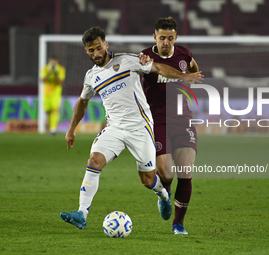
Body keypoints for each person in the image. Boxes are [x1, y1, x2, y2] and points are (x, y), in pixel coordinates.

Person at [60, 26, 203, 230]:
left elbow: (159, 68)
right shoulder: (91, 76)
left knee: (147, 179)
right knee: (94, 160)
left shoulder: (129, 60)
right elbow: (82, 102)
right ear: (86, 51)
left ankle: (163, 195)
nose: (97, 54)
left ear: (106, 45)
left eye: (99, 48)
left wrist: (184, 76)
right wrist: (71, 129)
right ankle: (82, 213)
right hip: (115, 128)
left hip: (140, 127)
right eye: (91, 50)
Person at [141, 17, 201, 235]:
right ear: (155, 37)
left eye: (170, 38)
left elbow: (193, 67)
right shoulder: (145, 57)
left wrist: (191, 77)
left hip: (182, 118)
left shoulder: (184, 55)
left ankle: (178, 224)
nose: (166, 42)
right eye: (162, 37)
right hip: (156, 119)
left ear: (176, 37)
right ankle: (164, 193)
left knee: (186, 171)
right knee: (166, 173)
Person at [40, 56, 66, 135]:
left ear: (57, 62)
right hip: (47, 94)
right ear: (49, 61)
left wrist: (56, 73)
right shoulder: (45, 69)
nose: (53, 63)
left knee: (54, 110)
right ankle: (50, 127)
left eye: (55, 61)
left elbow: (61, 82)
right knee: (48, 111)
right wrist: (49, 72)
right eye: (52, 61)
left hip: (56, 93)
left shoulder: (61, 69)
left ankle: (53, 129)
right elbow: (43, 80)